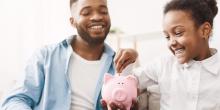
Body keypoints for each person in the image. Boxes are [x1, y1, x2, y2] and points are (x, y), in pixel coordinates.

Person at [0, 0, 137, 109]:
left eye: (103, 11)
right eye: (86, 12)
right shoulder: (45, 56)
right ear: (73, 21)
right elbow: (14, 100)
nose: (96, 17)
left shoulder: (119, 65)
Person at [114, 0, 220, 109]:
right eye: (167, 37)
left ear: (205, 30)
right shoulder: (163, 64)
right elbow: (127, 83)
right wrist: (131, 56)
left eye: (178, 33)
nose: (172, 42)